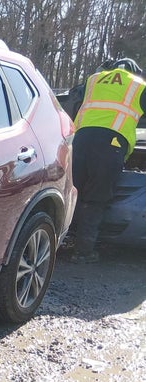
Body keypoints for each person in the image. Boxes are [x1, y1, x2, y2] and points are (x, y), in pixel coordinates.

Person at [69, 58, 146, 263]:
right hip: (110, 144)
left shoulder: (93, 79)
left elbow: (73, 101)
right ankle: (83, 252)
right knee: (96, 197)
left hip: (80, 140)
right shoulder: (139, 85)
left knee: (73, 191)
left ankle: (61, 241)